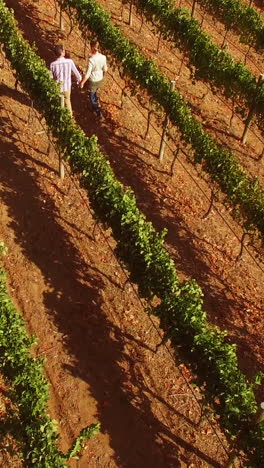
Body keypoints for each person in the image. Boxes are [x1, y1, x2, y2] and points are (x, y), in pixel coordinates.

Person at [50, 44, 82, 117]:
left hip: (58, 88)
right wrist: (78, 82)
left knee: (60, 103)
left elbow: (51, 78)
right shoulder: (69, 62)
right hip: (67, 87)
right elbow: (78, 76)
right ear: (62, 52)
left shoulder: (52, 65)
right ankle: (69, 118)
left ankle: (61, 117)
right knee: (67, 101)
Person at [80, 40, 107, 119]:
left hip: (93, 81)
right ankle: (94, 107)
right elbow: (105, 69)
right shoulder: (103, 57)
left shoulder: (91, 60)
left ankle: (98, 112)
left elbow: (88, 74)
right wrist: (102, 76)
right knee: (94, 93)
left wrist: (82, 82)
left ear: (92, 47)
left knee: (92, 97)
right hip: (100, 80)